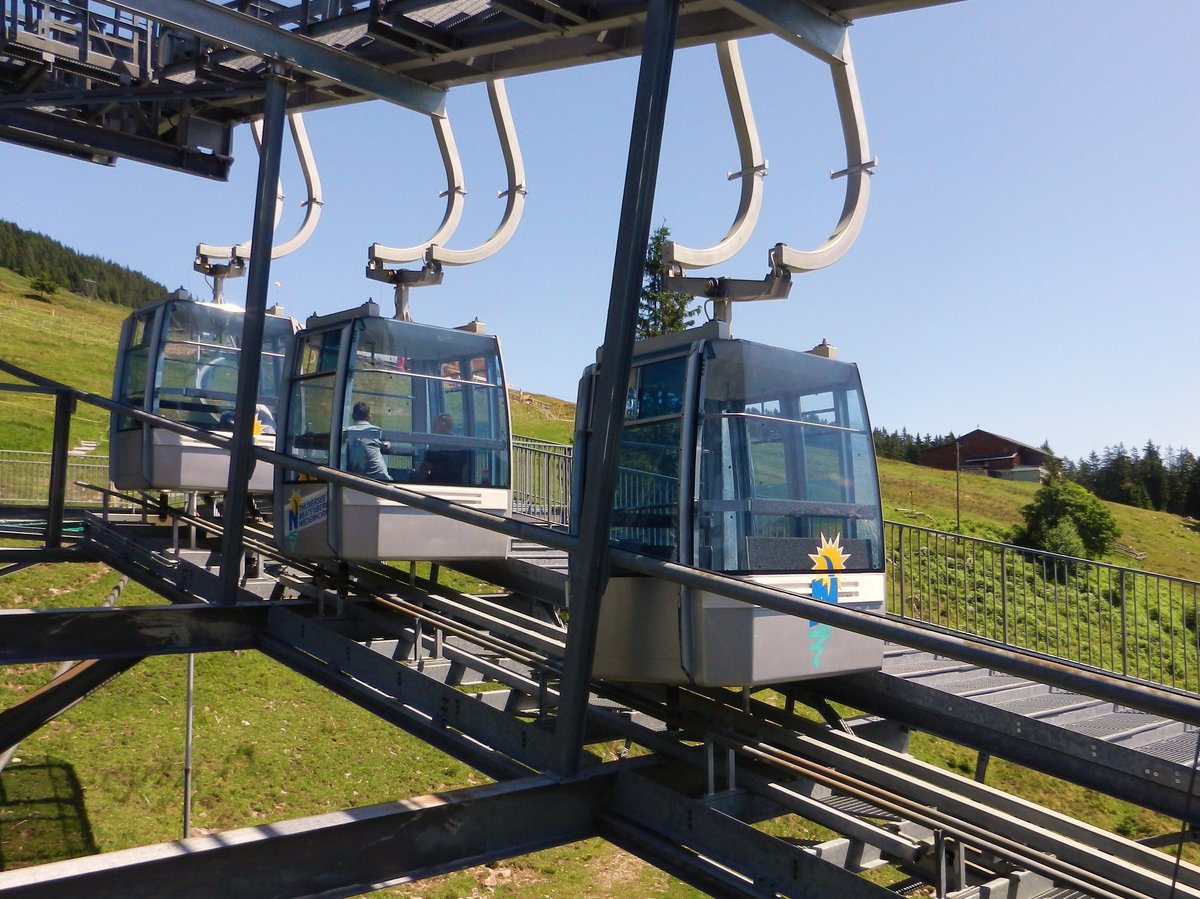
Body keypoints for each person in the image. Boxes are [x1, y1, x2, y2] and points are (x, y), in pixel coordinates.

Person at [417, 412, 469, 484]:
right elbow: (465, 472)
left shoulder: (436, 444)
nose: (433, 428)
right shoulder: (461, 445)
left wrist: (416, 482)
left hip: (436, 483)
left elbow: (425, 468)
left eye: (435, 425)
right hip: (456, 483)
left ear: (443, 425)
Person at [345, 401, 392, 481]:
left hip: (355, 479)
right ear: (369, 416)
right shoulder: (376, 431)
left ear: (353, 416)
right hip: (380, 478)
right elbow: (386, 446)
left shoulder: (346, 432)